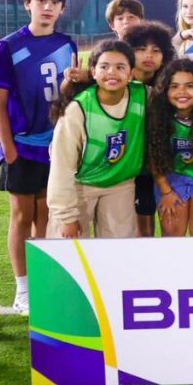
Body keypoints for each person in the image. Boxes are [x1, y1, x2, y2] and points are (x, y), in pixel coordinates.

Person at [0, 0, 76, 315]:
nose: (48, 7)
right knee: (22, 215)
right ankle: (22, 289)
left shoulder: (67, 44)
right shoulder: (7, 47)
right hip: (22, 144)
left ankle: (44, 282)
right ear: (28, 4)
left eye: (54, 3)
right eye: (41, 1)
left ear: (62, 8)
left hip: (56, 146)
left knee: (47, 215)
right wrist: (8, 148)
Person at [46, 40, 145, 239]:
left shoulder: (142, 95)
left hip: (121, 185)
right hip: (80, 185)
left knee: (119, 253)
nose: (112, 73)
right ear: (93, 72)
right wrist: (66, 217)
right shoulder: (77, 110)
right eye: (104, 66)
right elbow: (61, 166)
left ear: (131, 72)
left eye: (120, 67)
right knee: (68, 251)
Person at [147, 59, 193, 236]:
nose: (182, 92)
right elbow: (153, 155)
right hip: (171, 179)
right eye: (174, 86)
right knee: (172, 236)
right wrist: (166, 191)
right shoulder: (159, 112)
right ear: (165, 90)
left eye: (190, 86)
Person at [122, 21, 175, 237]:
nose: (148, 55)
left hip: (156, 166)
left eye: (155, 50)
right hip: (122, 167)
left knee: (151, 225)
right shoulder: (116, 83)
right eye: (141, 49)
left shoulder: (168, 86)